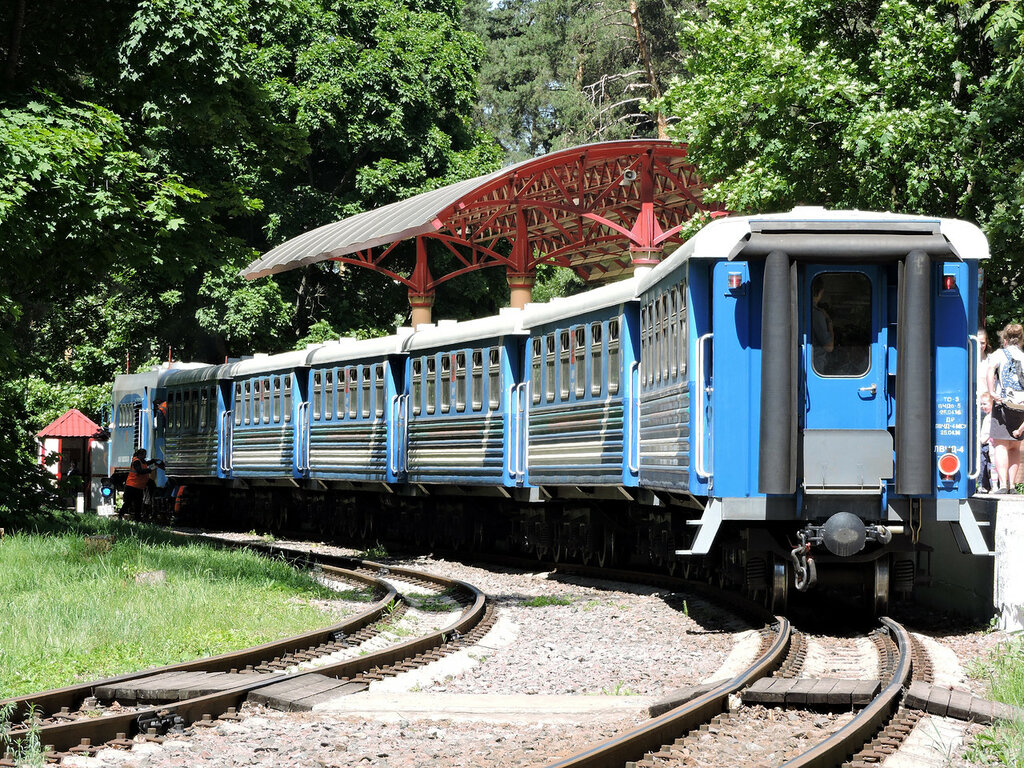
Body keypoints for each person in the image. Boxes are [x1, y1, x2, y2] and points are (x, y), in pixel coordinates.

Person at [986, 323, 1024, 493]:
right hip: (1021, 405)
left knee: (1001, 445)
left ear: (1005, 339)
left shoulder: (999, 354)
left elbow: (990, 371)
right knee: (1015, 446)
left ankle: (1002, 485)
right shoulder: (1023, 356)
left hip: (1003, 403)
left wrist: (992, 392)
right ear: (1021, 340)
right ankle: (1013, 486)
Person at [121, 448, 164, 518]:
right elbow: (139, 471)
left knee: (138, 503)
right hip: (132, 486)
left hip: (138, 486)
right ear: (140, 455)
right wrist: (150, 469)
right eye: (144, 455)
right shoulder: (136, 462)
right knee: (129, 502)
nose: (145, 457)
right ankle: (121, 515)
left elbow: (146, 463)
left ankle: (137, 518)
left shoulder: (141, 461)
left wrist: (153, 461)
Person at [979, 392, 995, 492]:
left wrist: (985, 439)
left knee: (989, 465)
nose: (982, 406)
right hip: (983, 444)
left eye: (985, 404)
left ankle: (990, 485)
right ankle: (984, 485)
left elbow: (991, 430)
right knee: (983, 465)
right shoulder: (987, 416)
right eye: (981, 404)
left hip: (988, 444)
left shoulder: (992, 417)